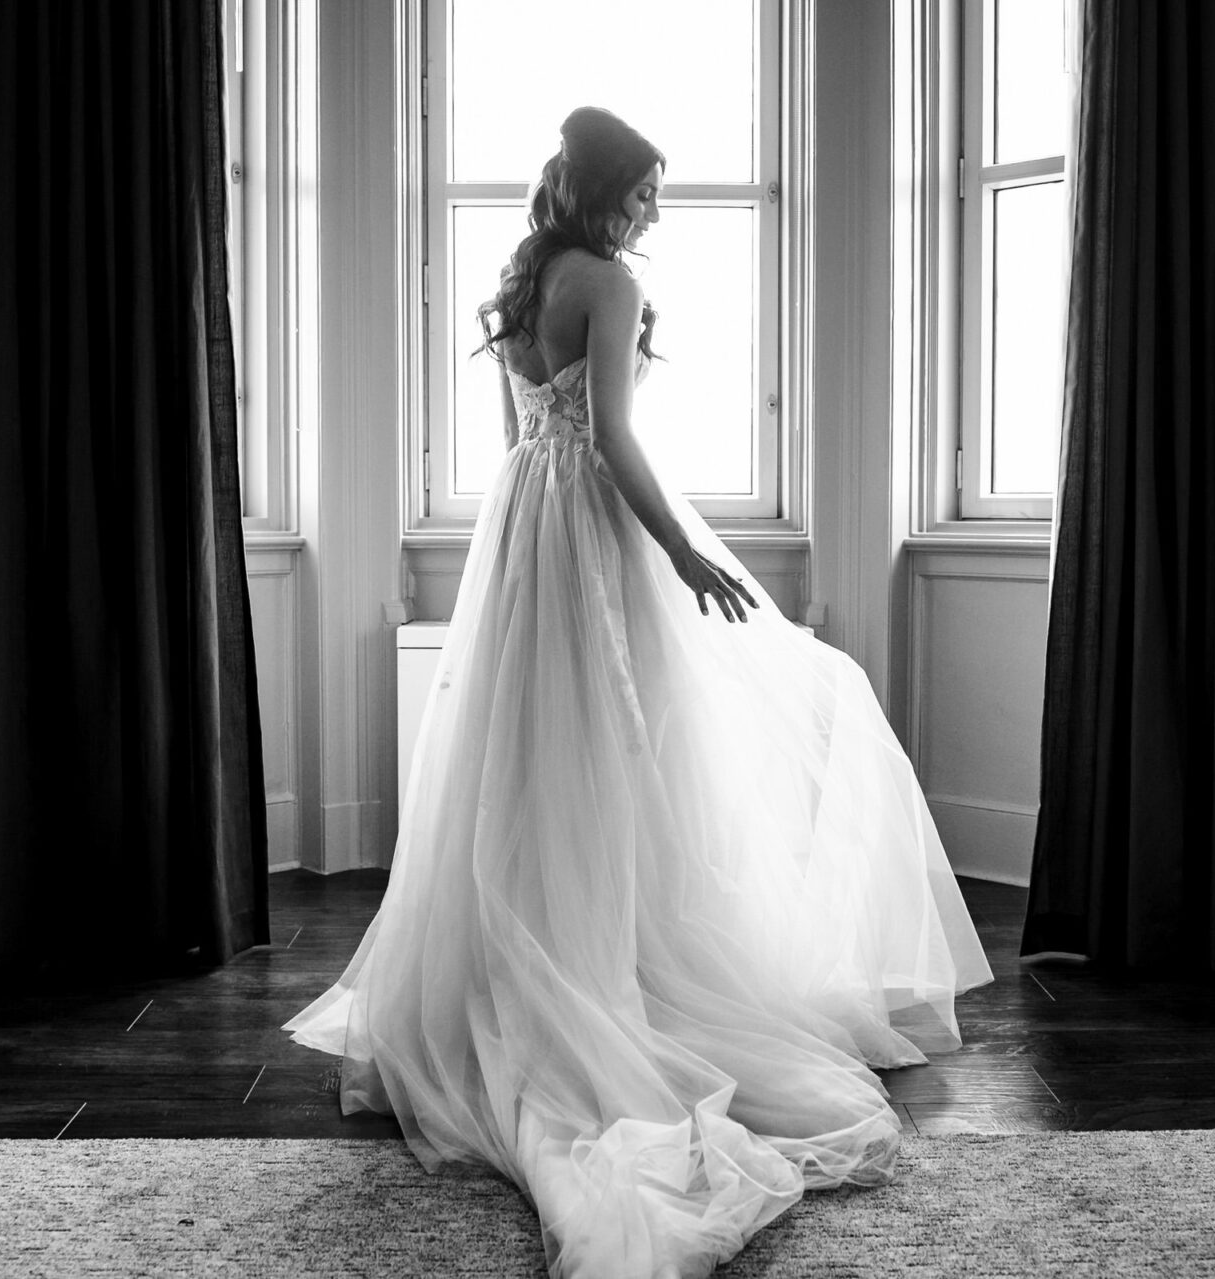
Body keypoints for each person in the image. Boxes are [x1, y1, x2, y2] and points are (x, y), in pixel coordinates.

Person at [285, 106, 993, 1279]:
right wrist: (680, 551)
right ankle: (606, 980)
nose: (655, 213)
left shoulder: (525, 283)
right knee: (629, 757)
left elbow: (522, 440)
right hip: (593, 537)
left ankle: (543, 965)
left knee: (534, 766)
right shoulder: (605, 282)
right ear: (610, 194)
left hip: (522, 536)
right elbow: (612, 436)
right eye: (648, 193)